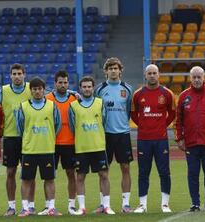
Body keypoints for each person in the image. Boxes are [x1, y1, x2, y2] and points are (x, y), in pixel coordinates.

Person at [175, 66, 205, 212]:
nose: (197, 80)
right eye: (194, 77)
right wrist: (179, 138)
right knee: (193, 174)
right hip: (191, 143)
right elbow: (179, 120)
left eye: (199, 77)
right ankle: (195, 203)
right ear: (190, 78)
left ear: (204, 77)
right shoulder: (184, 96)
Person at [131, 64, 175, 213]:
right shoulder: (137, 94)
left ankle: (165, 204)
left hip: (161, 139)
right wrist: (143, 125)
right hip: (143, 140)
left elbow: (173, 114)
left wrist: (162, 125)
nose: (152, 75)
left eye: (154, 73)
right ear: (145, 75)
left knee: (164, 172)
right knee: (143, 172)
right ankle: (142, 205)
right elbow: (133, 114)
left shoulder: (167, 94)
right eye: (149, 73)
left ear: (159, 75)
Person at [69, 76, 115, 215]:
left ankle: (106, 206)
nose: (87, 89)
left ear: (93, 88)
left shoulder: (100, 103)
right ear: (80, 88)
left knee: (104, 175)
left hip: (98, 146)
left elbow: (105, 121)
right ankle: (82, 207)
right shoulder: (73, 106)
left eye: (89, 86)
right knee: (81, 177)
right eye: (84, 87)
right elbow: (72, 126)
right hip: (82, 148)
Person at [16, 77, 62, 217]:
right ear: (31, 91)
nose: (37, 92)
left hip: (47, 149)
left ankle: (51, 208)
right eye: (34, 89)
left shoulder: (52, 105)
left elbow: (57, 125)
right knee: (26, 180)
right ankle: (25, 208)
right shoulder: (23, 106)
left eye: (40, 89)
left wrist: (49, 137)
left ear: (44, 90)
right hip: (30, 150)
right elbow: (20, 127)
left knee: (49, 179)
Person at [94, 57, 134, 213]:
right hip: (105, 135)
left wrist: (122, 123)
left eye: (116, 68)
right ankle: (104, 204)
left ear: (120, 70)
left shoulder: (128, 89)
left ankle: (126, 204)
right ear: (106, 71)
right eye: (110, 68)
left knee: (125, 167)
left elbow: (129, 111)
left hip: (123, 134)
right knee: (103, 170)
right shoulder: (99, 89)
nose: (113, 71)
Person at [0, 63, 36, 216]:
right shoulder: (3, 91)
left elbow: (51, 95)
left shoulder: (31, 88)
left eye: (19, 73)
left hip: (28, 137)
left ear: (24, 74)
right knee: (10, 172)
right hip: (10, 137)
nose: (17, 76)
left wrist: (74, 93)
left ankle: (30, 206)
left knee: (29, 173)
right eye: (14, 74)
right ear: (10, 76)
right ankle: (11, 206)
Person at [38, 70, 77, 215]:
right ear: (55, 84)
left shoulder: (74, 98)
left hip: (70, 143)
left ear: (68, 83)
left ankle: (71, 206)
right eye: (60, 82)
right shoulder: (47, 99)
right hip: (51, 144)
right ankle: (49, 206)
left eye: (65, 82)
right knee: (48, 175)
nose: (62, 85)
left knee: (71, 174)